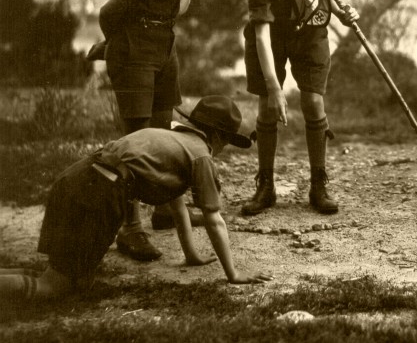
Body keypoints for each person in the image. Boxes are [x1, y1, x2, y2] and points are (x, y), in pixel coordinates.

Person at [0, 96, 272, 302]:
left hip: (75, 179)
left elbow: (177, 206)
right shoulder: (200, 154)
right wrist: (233, 274)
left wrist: (192, 255)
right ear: (218, 135)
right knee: (57, 286)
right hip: (97, 191)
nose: (223, 149)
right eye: (227, 141)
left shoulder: (170, 140)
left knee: (61, 273)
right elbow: (214, 220)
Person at [94, 0, 246, 260]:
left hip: (163, 45)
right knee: (136, 141)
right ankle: (130, 229)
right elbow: (109, 14)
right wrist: (118, 47)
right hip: (135, 48)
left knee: (163, 130)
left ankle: (164, 210)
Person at [239, 0, 359, 216]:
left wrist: (347, 13)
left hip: (310, 33)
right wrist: (274, 89)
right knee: (268, 105)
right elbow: (262, 37)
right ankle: (265, 186)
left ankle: (318, 185)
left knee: (313, 102)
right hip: (271, 37)